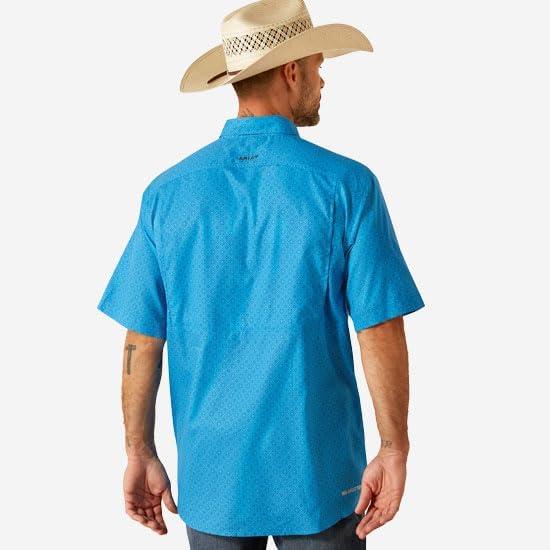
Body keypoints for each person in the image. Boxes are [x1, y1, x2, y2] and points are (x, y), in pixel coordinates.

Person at [97, 0, 425, 548]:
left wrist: (139, 452)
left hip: (214, 477)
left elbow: (142, 338)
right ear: (292, 71)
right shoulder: (347, 185)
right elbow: (379, 328)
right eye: (318, 66)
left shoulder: (167, 194)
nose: (322, 81)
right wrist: (394, 448)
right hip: (322, 473)